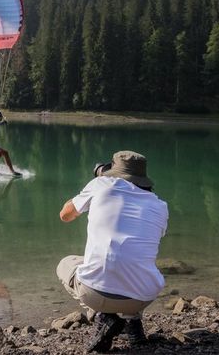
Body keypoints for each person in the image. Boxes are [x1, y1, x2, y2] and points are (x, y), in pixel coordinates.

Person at [57, 150, 168, 353]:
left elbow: (65, 215)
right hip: (143, 296)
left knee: (65, 264)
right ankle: (134, 328)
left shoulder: (101, 185)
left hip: (95, 294)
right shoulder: (160, 205)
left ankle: (103, 316)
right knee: (136, 261)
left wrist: (99, 183)